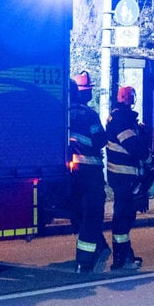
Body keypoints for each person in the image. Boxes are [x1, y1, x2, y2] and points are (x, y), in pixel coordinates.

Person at [68, 71, 111, 273]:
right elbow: (100, 139)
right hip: (90, 171)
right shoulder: (89, 114)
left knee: (78, 212)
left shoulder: (60, 113)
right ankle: (84, 262)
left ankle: (100, 248)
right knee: (92, 214)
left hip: (68, 173)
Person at [105, 85, 147, 270]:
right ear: (126, 98)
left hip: (122, 176)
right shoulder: (121, 119)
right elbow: (132, 145)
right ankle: (121, 259)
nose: (131, 99)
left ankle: (124, 255)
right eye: (130, 96)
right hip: (123, 176)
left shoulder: (123, 117)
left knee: (125, 216)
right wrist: (150, 158)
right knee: (123, 217)